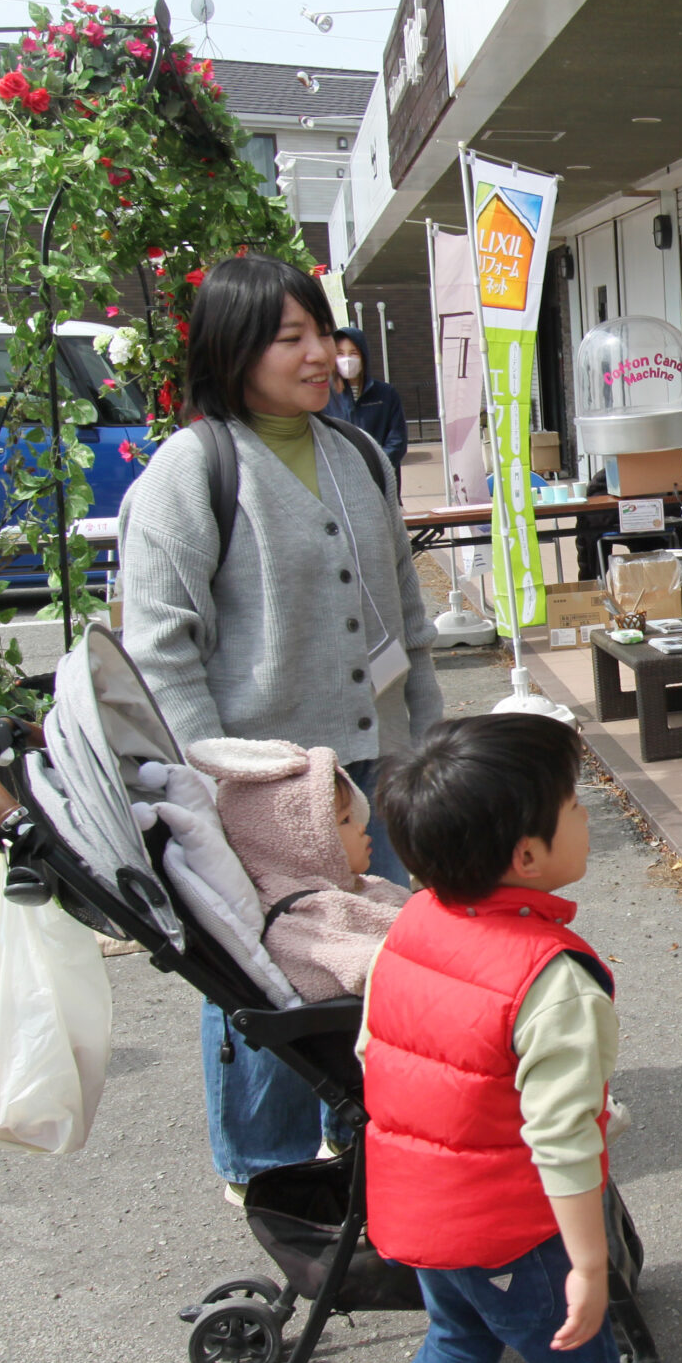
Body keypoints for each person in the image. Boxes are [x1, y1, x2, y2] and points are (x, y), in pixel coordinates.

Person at [118, 252, 442, 1196]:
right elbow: (160, 648)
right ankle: (263, 1163)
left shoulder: (359, 453)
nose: (320, 356)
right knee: (268, 972)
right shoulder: (194, 469)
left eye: (321, 335)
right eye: (289, 337)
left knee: (371, 949)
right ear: (234, 350)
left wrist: (424, 742)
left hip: (373, 764)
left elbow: (406, 616)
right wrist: (209, 780)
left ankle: (356, 1125)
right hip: (258, 785)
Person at [359, 713, 621, 1363]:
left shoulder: (411, 922)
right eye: (575, 804)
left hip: (419, 1212)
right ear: (526, 854)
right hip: (509, 1229)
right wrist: (590, 1262)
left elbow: (373, 1048)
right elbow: (561, 1138)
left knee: (455, 1344)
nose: (586, 815)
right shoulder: (554, 981)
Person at [187, 737, 407, 1003]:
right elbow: (362, 965)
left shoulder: (360, 886)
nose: (361, 826)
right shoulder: (297, 918)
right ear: (300, 842)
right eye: (345, 820)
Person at [331, 326, 410, 494]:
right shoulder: (325, 397)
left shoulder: (386, 394)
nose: (347, 359)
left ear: (363, 356)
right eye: (340, 353)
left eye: (353, 353)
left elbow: (397, 440)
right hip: (340, 487)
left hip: (380, 484)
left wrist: (373, 467)